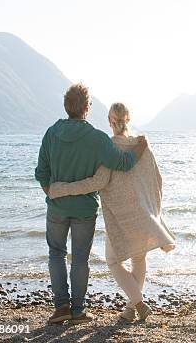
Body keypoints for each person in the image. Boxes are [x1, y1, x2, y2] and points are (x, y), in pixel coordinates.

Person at [48, 102, 175, 322]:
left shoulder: (108, 148)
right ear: (129, 119)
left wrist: (62, 189)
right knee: (138, 261)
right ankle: (130, 309)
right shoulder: (143, 146)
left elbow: (97, 182)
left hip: (120, 218)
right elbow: (157, 182)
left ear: (109, 121)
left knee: (113, 262)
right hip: (144, 216)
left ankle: (138, 302)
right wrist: (155, 213)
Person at [35, 83, 148, 325]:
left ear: (67, 106)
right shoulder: (96, 138)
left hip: (56, 207)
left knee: (56, 254)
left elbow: (41, 171)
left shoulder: (51, 133)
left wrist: (52, 191)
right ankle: (78, 311)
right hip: (84, 210)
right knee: (79, 260)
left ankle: (61, 307)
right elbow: (122, 162)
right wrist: (139, 149)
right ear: (87, 107)